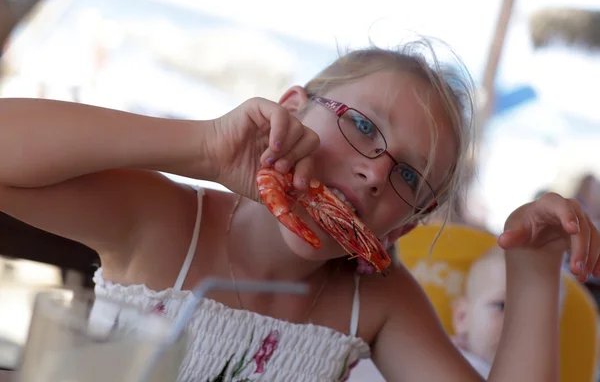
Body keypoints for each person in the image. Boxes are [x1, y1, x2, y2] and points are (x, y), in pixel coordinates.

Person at [0, 38, 597, 382]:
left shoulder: (378, 304)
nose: (374, 172)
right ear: (293, 109)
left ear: (403, 227)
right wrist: (203, 148)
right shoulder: (166, 223)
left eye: (409, 176)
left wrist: (534, 270)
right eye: (361, 125)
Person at [451, 247, 567, 379]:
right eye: (502, 306)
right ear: (462, 317)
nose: (522, 325)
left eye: (540, 318)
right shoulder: (443, 364)